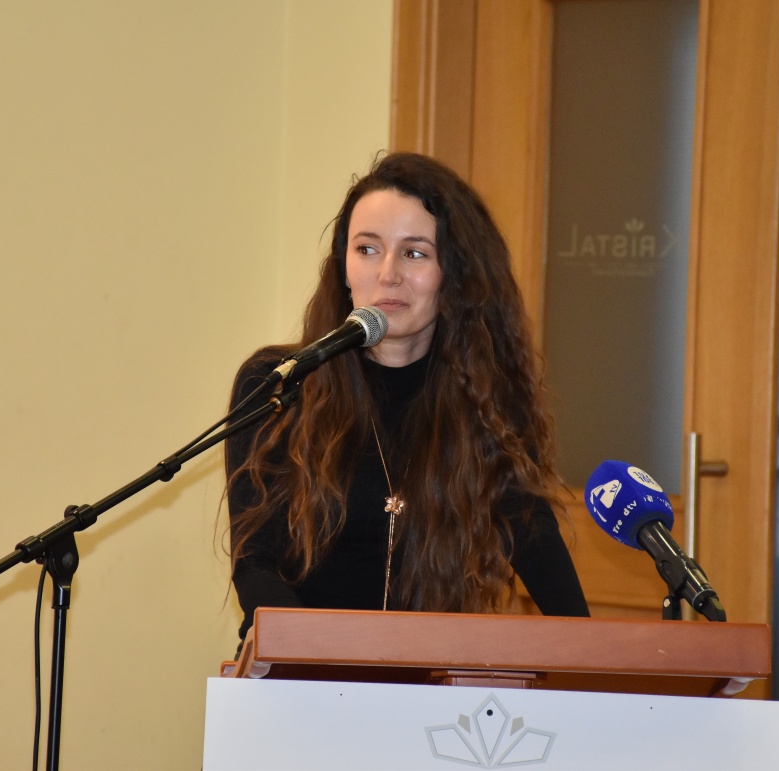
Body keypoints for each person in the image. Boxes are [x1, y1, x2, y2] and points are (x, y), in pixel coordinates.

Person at [225, 152, 588, 646]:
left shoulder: (487, 400)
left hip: (427, 679)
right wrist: (315, 657)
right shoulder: (277, 384)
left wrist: (596, 659)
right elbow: (254, 563)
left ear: (455, 274)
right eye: (367, 249)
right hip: (298, 670)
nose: (387, 274)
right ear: (343, 267)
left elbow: (534, 538)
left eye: (414, 253)